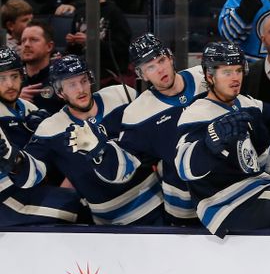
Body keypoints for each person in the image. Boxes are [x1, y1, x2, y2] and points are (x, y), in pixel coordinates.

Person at [5, 54, 164, 226]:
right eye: (71, 85)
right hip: (110, 224)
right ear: (60, 92)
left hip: (156, 206)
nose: (80, 89)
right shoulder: (51, 129)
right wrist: (12, 158)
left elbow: (154, 132)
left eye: (83, 81)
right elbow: (31, 174)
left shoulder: (121, 95)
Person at [72, 34, 207, 226]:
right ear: (141, 74)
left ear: (170, 57)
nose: (160, 69)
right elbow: (125, 167)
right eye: (150, 67)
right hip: (185, 206)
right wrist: (99, 151)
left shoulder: (205, 76)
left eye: (161, 60)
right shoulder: (137, 114)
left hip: (227, 190)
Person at [174, 41, 270, 237]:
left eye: (238, 70)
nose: (235, 78)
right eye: (227, 72)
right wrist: (211, 141)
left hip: (257, 189)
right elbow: (183, 168)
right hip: (225, 205)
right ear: (210, 76)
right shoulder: (195, 113)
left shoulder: (245, 103)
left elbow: (264, 154)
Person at [0, 47, 87, 226]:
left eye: (14, 76)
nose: (9, 84)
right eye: (1, 78)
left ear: (22, 76)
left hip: (28, 190)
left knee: (89, 195)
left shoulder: (29, 109)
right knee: (74, 205)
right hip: (5, 198)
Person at [63, 0, 132, 87]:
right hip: (82, 70)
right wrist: (72, 43)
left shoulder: (113, 12)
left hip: (108, 71)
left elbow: (121, 47)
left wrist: (91, 41)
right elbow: (74, 52)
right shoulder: (79, 13)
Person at [18, 21, 63, 115]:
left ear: (49, 46)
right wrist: (15, 101)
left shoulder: (62, 80)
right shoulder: (10, 81)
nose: (26, 44)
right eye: (23, 40)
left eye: (33, 40)